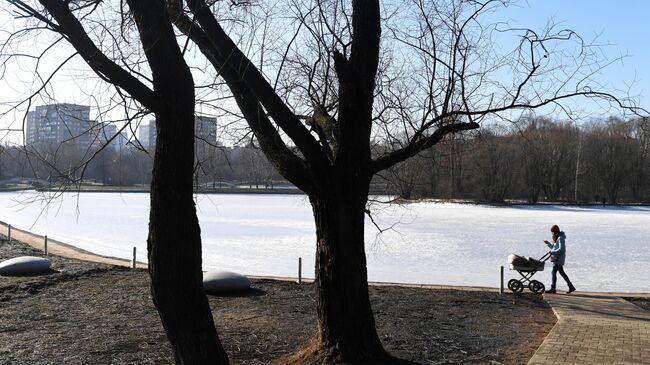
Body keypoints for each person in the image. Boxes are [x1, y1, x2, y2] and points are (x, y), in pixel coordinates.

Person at [543, 225, 576, 294]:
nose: (551, 233)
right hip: (556, 257)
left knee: (554, 272)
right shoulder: (557, 237)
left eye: (552, 232)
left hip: (559, 258)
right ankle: (571, 286)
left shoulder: (560, 238)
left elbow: (561, 249)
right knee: (561, 272)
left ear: (555, 232)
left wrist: (552, 252)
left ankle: (553, 288)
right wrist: (548, 244)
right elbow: (554, 248)